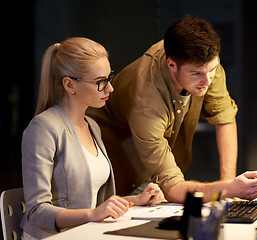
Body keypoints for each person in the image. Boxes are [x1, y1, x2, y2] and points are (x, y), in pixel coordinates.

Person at [87, 16, 257, 203]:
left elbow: (224, 117)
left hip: (155, 163)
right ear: (172, 65)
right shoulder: (146, 102)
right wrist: (227, 189)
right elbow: (172, 187)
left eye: (212, 69)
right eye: (196, 74)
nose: (207, 80)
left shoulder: (202, 60)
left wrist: (228, 184)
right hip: (117, 157)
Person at [21, 37, 164, 240]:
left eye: (109, 78)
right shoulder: (43, 128)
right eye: (100, 82)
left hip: (86, 233)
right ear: (70, 85)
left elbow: (94, 205)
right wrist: (93, 214)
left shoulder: (92, 126)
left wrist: (137, 200)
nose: (110, 89)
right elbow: (36, 211)